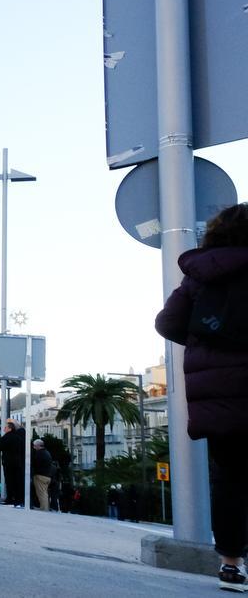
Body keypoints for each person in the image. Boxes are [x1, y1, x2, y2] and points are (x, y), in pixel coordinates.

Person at [155, 203, 248, 592]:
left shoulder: (200, 274)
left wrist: (205, 343)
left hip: (217, 396)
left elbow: (167, 322)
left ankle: (230, 563)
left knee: (228, 478)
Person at [0, 419, 26, 506]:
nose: (4, 429)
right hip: (17, 463)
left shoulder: (6, 437)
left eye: (5, 428)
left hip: (8, 463)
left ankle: (10, 499)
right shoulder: (19, 438)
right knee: (17, 481)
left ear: (10, 428)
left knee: (9, 481)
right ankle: (18, 499)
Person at [31, 439, 52, 512]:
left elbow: (35, 464)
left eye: (34, 446)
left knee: (41, 493)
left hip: (40, 476)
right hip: (47, 476)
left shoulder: (39, 454)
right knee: (44, 493)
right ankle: (45, 507)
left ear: (38, 446)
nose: (33, 447)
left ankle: (44, 509)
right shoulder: (47, 453)